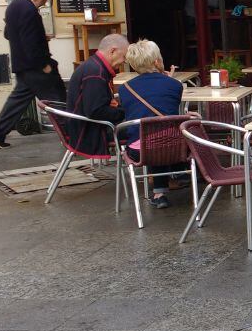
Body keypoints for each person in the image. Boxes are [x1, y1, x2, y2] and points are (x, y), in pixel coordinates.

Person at [0, 0, 66, 149]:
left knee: (17, 101)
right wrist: (44, 64)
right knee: (58, 100)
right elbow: (30, 42)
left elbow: (9, 33)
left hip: (21, 64)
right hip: (36, 66)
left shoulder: (13, 7)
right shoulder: (30, 11)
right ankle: (74, 137)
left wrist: (37, 37)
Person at [118, 39, 185, 209]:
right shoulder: (175, 85)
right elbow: (168, 106)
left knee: (151, 139)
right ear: (156, 61)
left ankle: (160, 193)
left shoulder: (124, 88)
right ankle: (183, 176)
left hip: (138, 151)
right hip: (174, 147)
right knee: (162, 137)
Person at [66, 34, 128, 158]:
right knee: (144, 129)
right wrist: (125, 112)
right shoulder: (96, 73)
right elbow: (96, 111)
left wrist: (115, 106)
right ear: (112, 51)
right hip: (90, 132)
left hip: (85, 127)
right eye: (124, 56)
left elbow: (97, 105)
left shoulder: (93, 65)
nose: (124, 61)